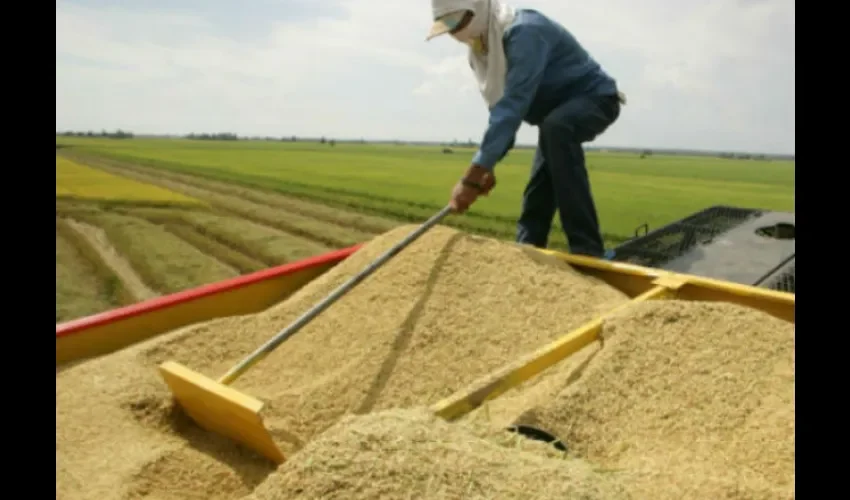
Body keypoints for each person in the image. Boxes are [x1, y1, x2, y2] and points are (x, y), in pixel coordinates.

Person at [427, 0, 625, 258]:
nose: (456, 34)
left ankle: (588, 250)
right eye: (449, 29)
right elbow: (499, 114)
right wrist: (488, 166)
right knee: (540, 184)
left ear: (478, 9)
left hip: (595, 100)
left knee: (557, 129)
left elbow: (513, 106)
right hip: (553, 121)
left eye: (459, 23)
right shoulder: (481, 51)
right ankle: (527, 250)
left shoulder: (524, 32)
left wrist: (471, 177)